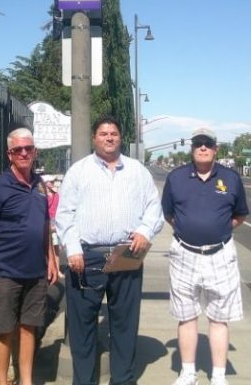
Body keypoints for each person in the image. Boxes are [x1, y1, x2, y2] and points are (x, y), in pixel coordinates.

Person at [55, 114, 164, 385]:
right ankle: (84, 381)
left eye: (113, 133)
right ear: (94, 138)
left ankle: (123, 380)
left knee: (125, 324)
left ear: (120, 137)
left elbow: (154, 207)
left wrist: (144, 231)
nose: (109, 137)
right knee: (82, 326)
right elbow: (64, 214)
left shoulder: (137, 171)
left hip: (126, 253)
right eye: (103, 133)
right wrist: (73, 249)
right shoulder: (79, 171)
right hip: (86, 257)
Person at [161, 128, 250, 385]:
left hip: (220, 255)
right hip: (183, 255)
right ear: (192, 148)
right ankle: (188, 372)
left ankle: (218, 376)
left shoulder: (231, 178)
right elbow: (169, 214)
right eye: (198, 143)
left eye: (207, 143)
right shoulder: (176, 178)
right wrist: (190, 229)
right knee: (186, 315)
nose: (203, 147)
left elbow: (240, 215)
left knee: (219, 318)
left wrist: (219, 229)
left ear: (215, 148)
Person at [0, 127, 59, 385]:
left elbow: (44, 224)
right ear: (9, 154)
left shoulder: (39, 185)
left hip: (36, 271)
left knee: (29, 328)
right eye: (17, 150)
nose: (24, 153)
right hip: (6, 272)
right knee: (4, 330)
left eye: (28, 149)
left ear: (34, 152)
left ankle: (26, 380)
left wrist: (52, 259)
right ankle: (2, 381)